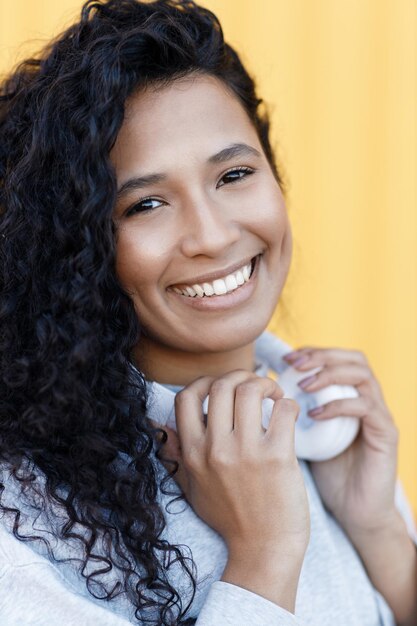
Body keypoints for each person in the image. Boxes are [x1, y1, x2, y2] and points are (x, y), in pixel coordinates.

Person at [0, 0, 416, 624]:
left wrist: (378, 528)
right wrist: (263, 555)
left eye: (235, 175)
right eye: (144, 205)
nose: (214, 236)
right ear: (73, 246)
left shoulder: (312, 428)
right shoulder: (27, 525)